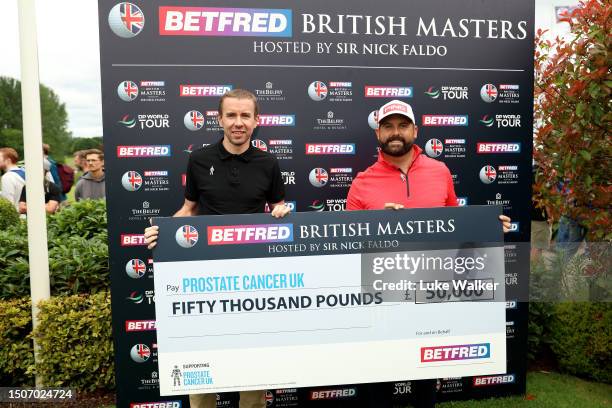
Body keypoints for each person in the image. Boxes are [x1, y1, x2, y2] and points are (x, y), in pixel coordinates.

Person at [346, 100, 511, 408]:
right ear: (378, 134)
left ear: (415, 131)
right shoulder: (361, 182)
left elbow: (455, 229)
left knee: (425, 382)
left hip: (431, 294)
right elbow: (347, 247)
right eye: (388, 126)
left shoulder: (440, 172)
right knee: (378, 384)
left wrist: (488, 230)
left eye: (403, 126)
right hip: (382, 297)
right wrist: (376, 226)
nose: (396, 133)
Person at [144, 89, 290, 408]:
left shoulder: (269, 162)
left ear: (256, 121)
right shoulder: (199, 159)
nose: (239, 123)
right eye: (232, 115)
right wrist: (164, 232)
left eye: (245, 116)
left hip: (254, 277)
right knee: (202, 361)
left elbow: (279, 207)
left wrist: (281, 211)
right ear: (220, 118)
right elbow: (189, 209)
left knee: (252, 362)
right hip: (204, 275)